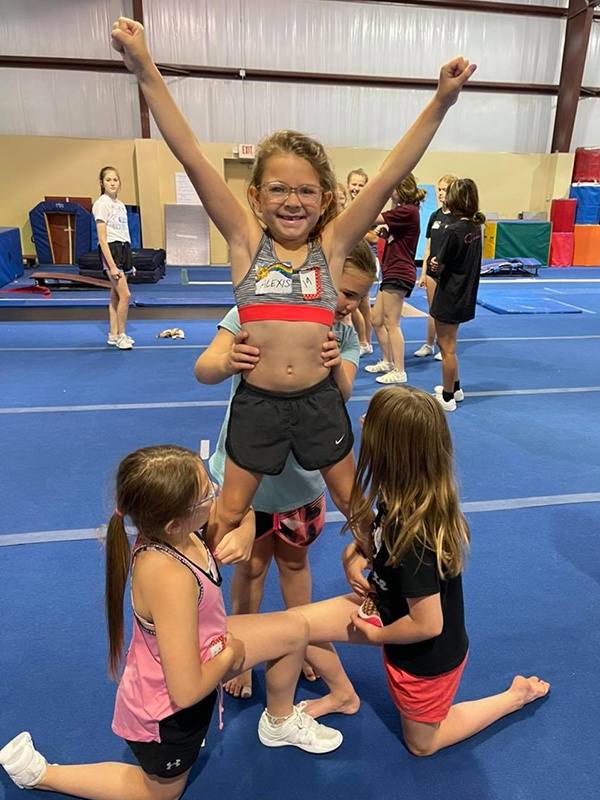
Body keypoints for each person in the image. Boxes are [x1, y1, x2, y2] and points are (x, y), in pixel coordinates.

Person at [111, 15, 476, 557]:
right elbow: (189, 151)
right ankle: (200, 594)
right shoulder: (242, 242)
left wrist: (441, 102)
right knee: (228, 512)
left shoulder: (329, 250)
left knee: (354, 504)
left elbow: (387, 175)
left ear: (326, 200)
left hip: (318, 402)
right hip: (256, 405)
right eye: (278, 188)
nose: (292, 200)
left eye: (307, 190)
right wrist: (144, 68)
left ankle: (384, 578)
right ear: (256, 196)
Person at [0, 445, 349, 800]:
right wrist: (231, 656)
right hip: (170, 710)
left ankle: (279, 724)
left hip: (205, 647)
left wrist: (246, 531)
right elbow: (184, 691)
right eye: (207, 493)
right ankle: (42, 775)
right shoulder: (170, 577)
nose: (217, 493)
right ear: (175, 521)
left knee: (293, 630)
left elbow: (240, 510)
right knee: (162, 795)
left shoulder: (182, 531)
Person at [294, 386, 550, 750]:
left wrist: (376, 637)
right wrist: (354, 553)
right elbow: (384, 544)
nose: (362, 423)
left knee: (423, 745)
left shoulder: (416, 534)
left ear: (388, 450)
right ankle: (342, 696)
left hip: (425, 655)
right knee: (298, 626)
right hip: (388, 612)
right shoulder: (401, 496)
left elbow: (429, 624)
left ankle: (514, 697)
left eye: (371, 423)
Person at [195, 241, 377, 699]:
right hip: (248, 481)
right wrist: (227, 360)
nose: (343, 303)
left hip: (304, 484)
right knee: (250, 570)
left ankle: (305, 644)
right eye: (339, 290)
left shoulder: (347, 335)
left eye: (355, 297)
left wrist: (336, 365)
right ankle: (239, 651)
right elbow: (204, 367)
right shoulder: (256, 311)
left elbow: (345, 394)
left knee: (295, 566)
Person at [429, 178, 485, 411]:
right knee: (451, 344)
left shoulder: (454, 231)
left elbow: (438, 264)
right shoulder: (476, 227)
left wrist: (434, 264)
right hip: (465, 292)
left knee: (447, 349)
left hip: (450, 292)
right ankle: (457, 387)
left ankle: (449, 397)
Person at [365, 173, 425, 384]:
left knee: (392, 322)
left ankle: (400, 370)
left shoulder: (408, 211)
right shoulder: (402, 212)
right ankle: (387, 361)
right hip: (391, 270)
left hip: (400, 272)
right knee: (377, 319)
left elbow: (373, 217)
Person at [414, 172, 459, 360]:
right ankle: (429, 343)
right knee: (432, 309)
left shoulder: (458, 218)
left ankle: (445, 346)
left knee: (446, 311)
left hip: (449, 272)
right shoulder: (435, 215)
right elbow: (428, 247)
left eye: (445, 190)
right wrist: (423, 273)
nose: (440, 193)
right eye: (439, 189)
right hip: (432, 271)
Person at [92, 166, 134, 351]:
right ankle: (122, 335)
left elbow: (124, 233)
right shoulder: (102, 204)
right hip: (111, 250)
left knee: (116, 296)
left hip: (123, 248)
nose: (112, 183)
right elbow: (102, 238)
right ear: (102, 183)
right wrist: (112, 265)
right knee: (125, 295)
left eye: (115, 179)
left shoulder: (120, 205)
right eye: (108, 180)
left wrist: (128, 262)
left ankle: (113, 334)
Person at [346, 168, 376, 355]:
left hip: (366, 259)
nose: (356, 188)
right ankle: (365, 341)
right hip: (351, 257)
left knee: (360, 303)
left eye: (360, 185)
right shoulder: (349, 207)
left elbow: (375, 237)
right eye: (354, 184)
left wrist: (351, 230)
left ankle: (365, 341)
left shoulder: (370, 207)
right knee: (359, 303)